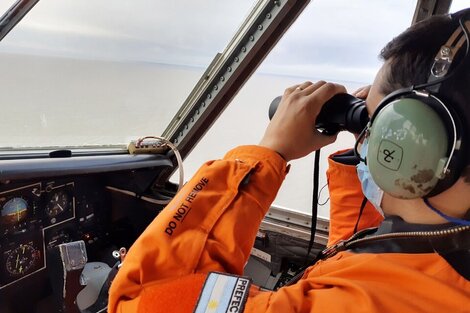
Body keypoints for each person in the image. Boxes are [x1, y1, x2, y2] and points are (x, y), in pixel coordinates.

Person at [108, 9, 470, 313]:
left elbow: (140, 300)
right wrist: (365, 160)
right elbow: (371, 267)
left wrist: (269, 153)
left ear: (414, 142)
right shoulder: (426, 265)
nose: (367, 135)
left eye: (375, 122)